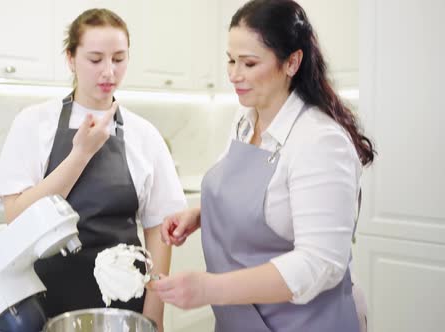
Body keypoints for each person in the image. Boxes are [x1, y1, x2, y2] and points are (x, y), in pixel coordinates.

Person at [149, 0, 375, 331]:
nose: (234, 74)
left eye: (249, 63)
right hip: (240, 320)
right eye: (230, 60)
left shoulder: (320, 142)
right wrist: (201, 214)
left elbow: (320, 263)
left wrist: (208, 288)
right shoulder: (244, 121)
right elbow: (264, 203)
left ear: (292, 62)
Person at [0, 8, 185, 331]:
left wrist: (154, 314)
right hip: (47, 302)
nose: (109, 71)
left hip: (124, 305)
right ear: (70, 58)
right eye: (95, 59)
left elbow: (159, 229)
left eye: (119, 59)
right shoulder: (34, 123)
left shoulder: (144, 134)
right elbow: (16, 217)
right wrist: (79, 154)